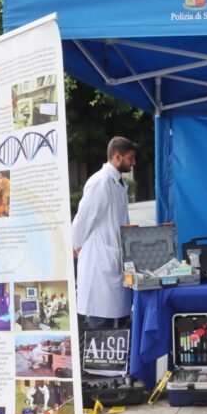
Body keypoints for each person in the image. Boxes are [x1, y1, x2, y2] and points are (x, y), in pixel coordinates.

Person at [72, 136, 136, 329]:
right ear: (117, 156)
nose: (133, 163)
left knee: (116, 321)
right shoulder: (100, 182)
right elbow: (84, 218)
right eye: (130, 158)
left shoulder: (118, 184)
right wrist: (76, 244)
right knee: (101, 324)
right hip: (99, 260)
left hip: (113, 258)